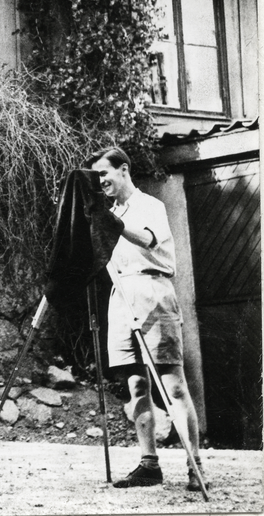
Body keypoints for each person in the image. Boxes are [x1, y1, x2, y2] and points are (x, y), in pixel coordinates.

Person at [89, 146, 205, 492]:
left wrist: (112, 223)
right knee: (136, 384)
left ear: (123, 169)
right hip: (121, 296)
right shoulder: (108, 212)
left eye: (104, 173)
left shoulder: (150, 206)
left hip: (153, 290)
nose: (101, 181)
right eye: (96, 177)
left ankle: (195, 465)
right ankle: (148, 463)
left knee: (173, 384)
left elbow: (147, 239)